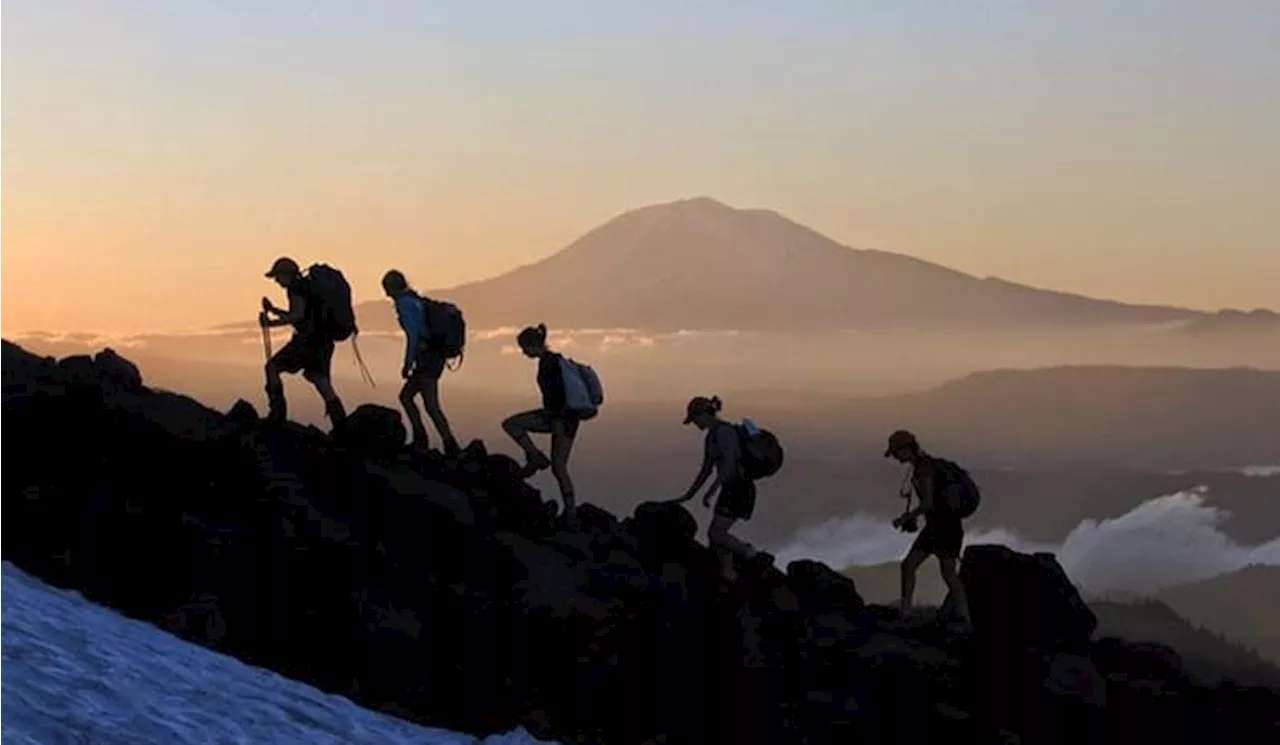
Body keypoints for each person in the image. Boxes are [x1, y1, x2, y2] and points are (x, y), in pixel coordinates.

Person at [674, 395, 773, 582]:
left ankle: (752, 555)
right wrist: (689, 495)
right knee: (716, 539)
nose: (695, 424)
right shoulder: (711, 437)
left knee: (716, 533)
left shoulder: (725, 433)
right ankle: (728, 576)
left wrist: (710, 493)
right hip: (730, 489)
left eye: (695, 419)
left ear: (704, 414)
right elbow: (706, 469)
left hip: (739, 488)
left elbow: (727, 467)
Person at [885, 429, 972, 626]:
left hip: (941, 528)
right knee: (947, 574)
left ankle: (906, 612)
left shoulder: (924, 468)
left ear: (907, 449)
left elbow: (928, 504)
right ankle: (966, 619)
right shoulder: (926, 465)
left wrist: (905, 518)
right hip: (946, 526)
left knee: (911, 566)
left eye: (896, 452)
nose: (895, 457)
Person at [501, 324, 583, 528]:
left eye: (524, 348)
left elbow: (556, 397)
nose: (523, 352)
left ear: (532, 345)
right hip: (567, 419)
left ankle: (536, 457)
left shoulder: (548, 365)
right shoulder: (554, 360)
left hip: (559, 419)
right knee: (559, 467)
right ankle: (570, 512)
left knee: (558, 466)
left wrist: (556, 424)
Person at [259, 257, 348, 433]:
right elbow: (303, 314)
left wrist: (271, 324)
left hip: (306, 341)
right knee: (318, 377)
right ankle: (341, 424)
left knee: (272, 367)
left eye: (278, 276)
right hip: (323, 341)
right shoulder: (307, 287)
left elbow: (297, 316)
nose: (276, 281)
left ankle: (277, 414)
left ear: (287, 274)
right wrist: (275, 311)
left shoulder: (295, 288)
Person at [381, 270, 460, 456]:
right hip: (433, 357)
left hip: (427, 358)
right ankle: (433, 440)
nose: (386, 294)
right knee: (408, 397)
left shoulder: (404, 303)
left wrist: (407, 363)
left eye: (387, 289)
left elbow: (413, 335)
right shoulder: (415, 299)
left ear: (392, 288)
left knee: (430, 404)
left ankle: (445, 443)